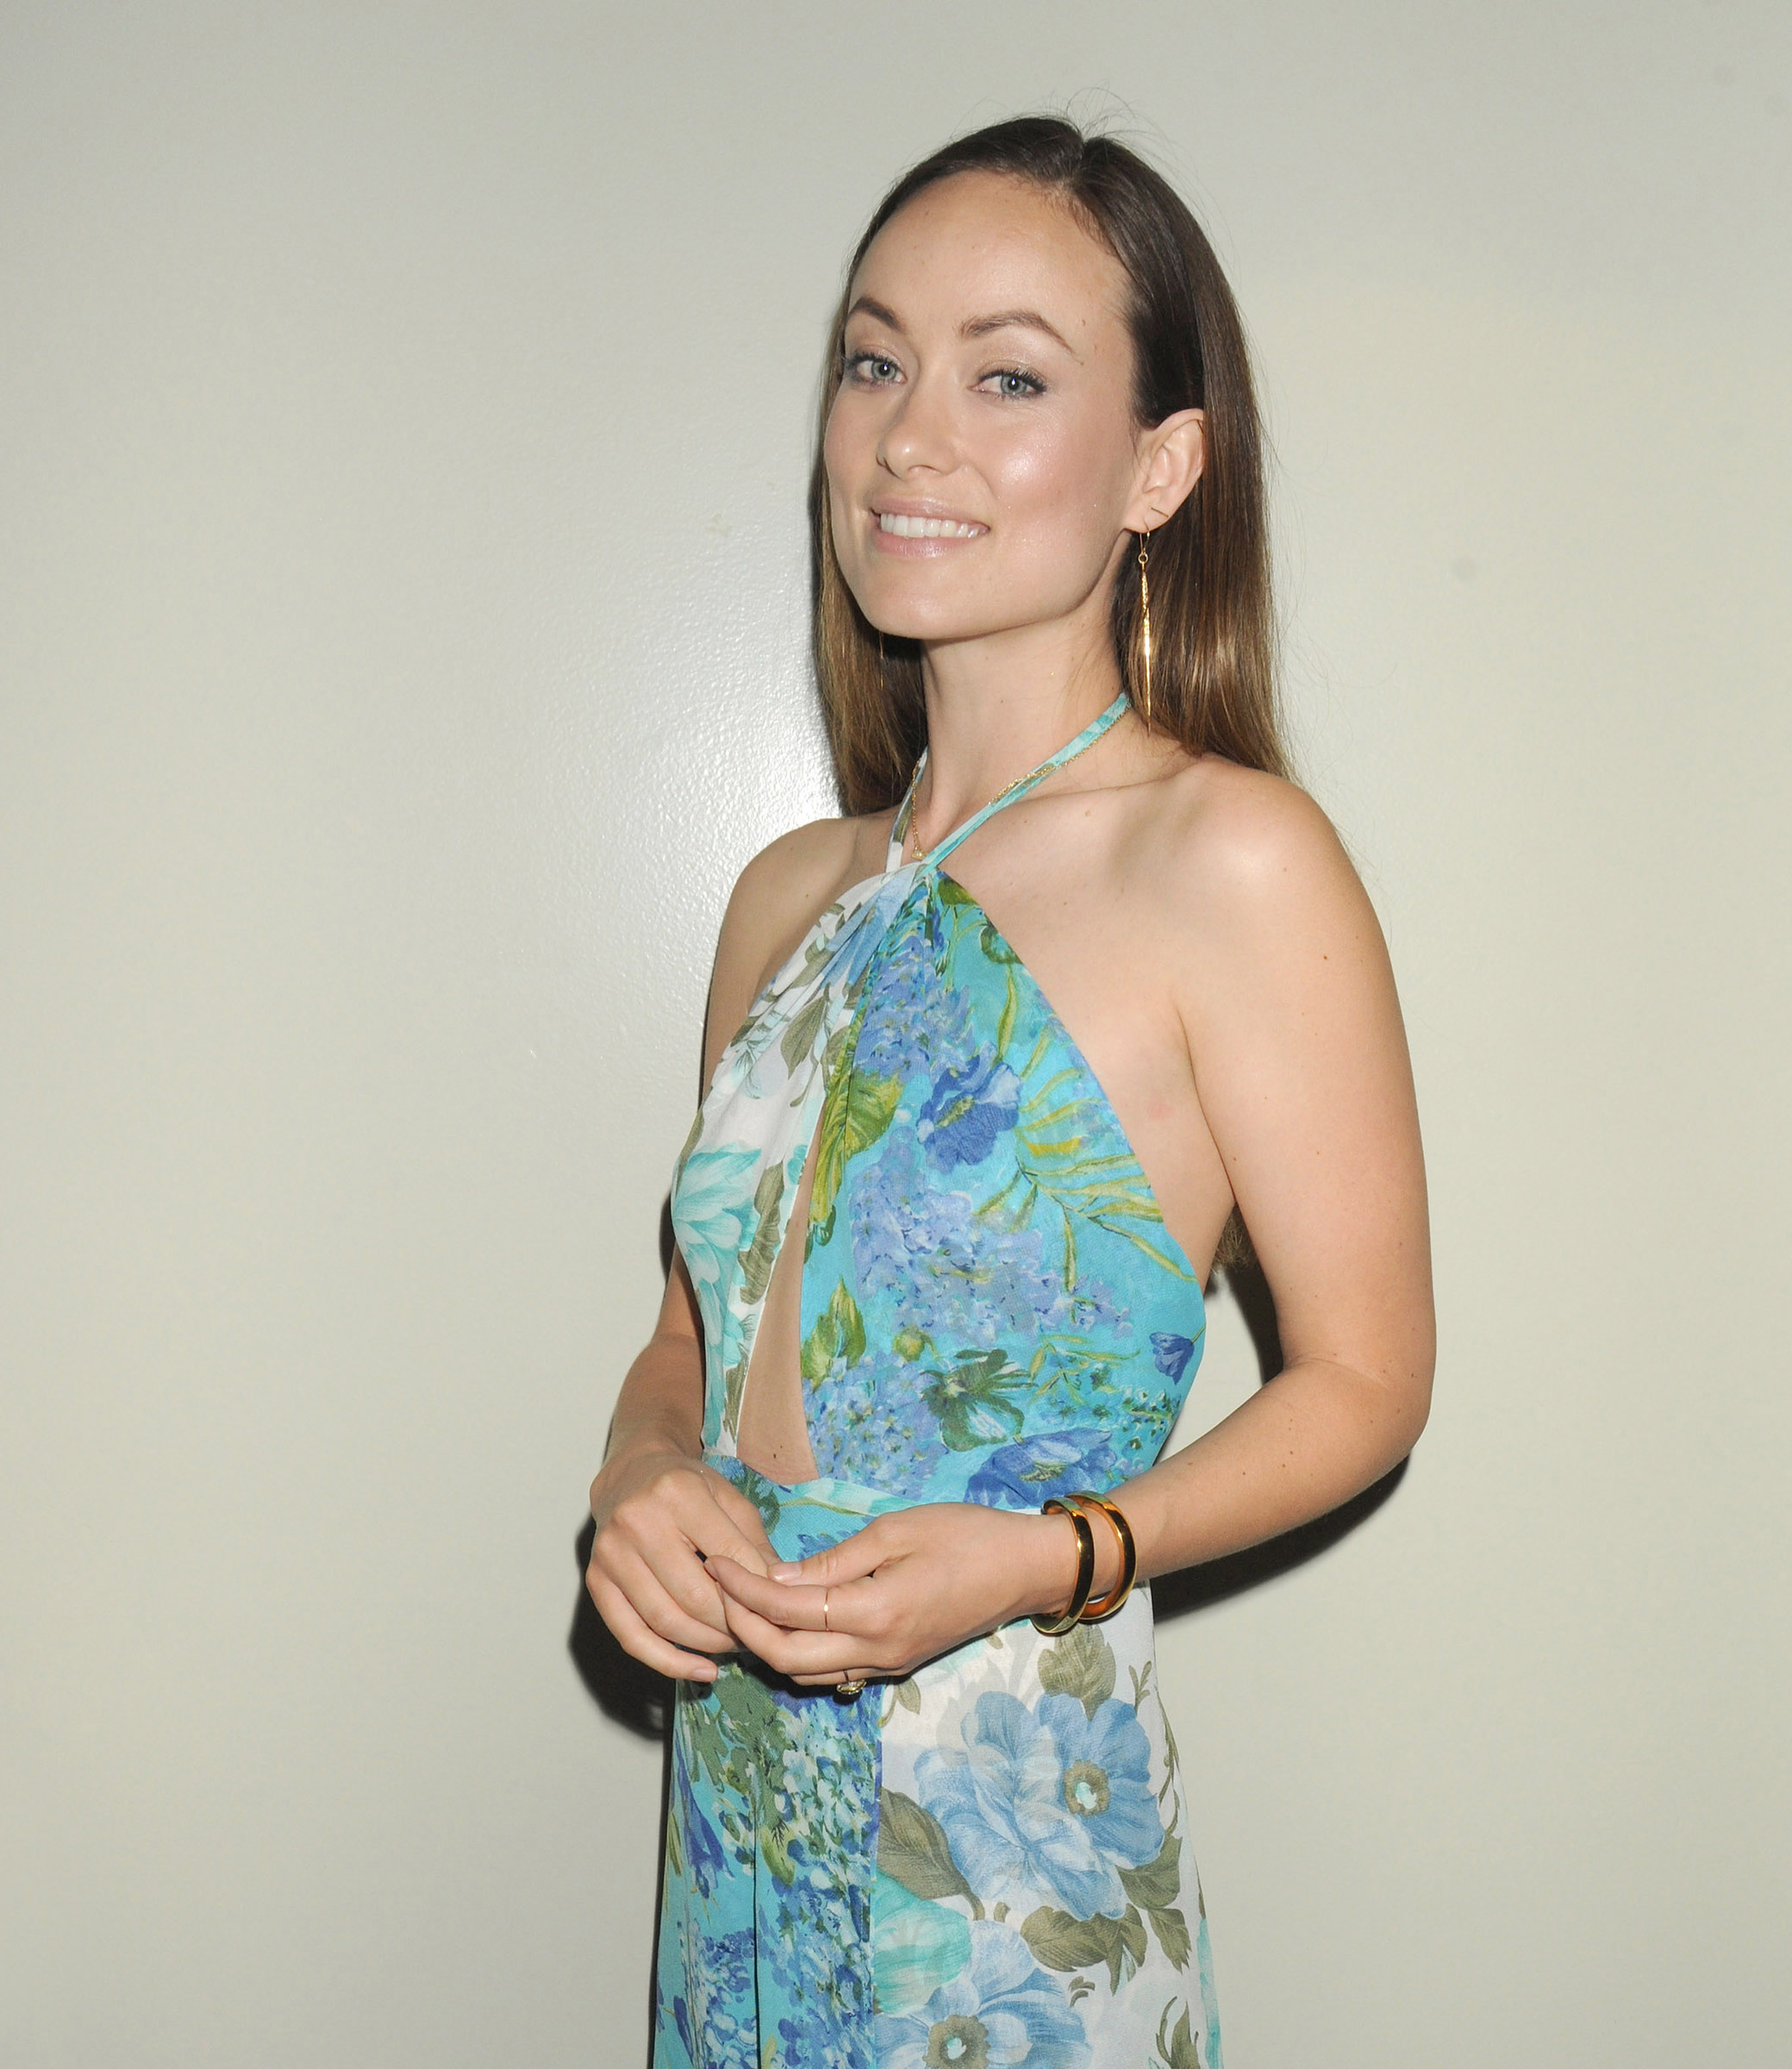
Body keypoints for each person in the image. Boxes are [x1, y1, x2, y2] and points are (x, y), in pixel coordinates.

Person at [586, 115, 1434, 2069]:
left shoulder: (1231, 863)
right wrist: (639, 1474)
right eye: (875, 361)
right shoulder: (788, 895)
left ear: (1161, 466)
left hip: (1007, 1863)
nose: (910, 439)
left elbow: (1371, 1379)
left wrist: (1055, 1554)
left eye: (1009, 378)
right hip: (731, 1837)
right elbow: (691, 1338)